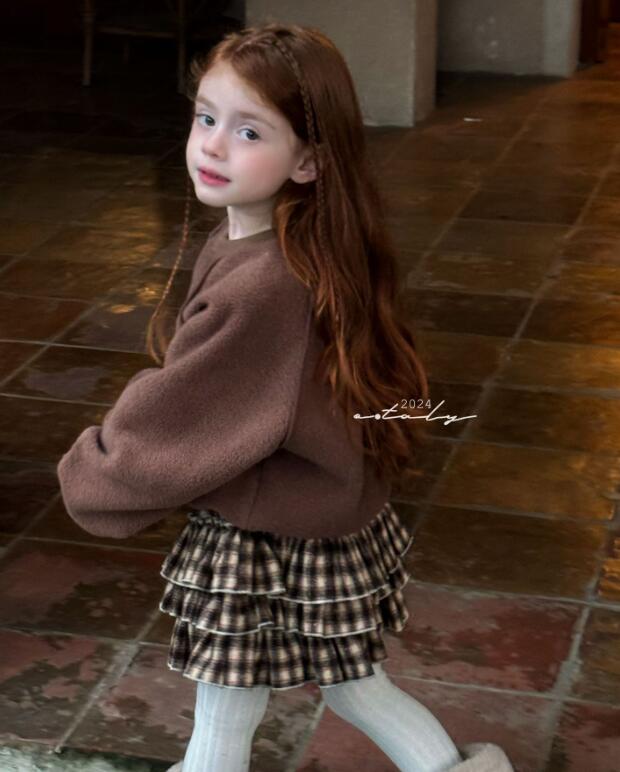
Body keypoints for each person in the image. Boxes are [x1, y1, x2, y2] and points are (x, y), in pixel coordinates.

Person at [57, 22, 514, 772]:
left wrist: (98, 469)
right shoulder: (283, 243)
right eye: (206, 117)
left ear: (307, 161)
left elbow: (184, 406)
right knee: (351, 688)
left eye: (248, 131)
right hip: (319, 514)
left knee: (229, 705)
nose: (212, 146)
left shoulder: (265, 284)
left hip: (265, 535)